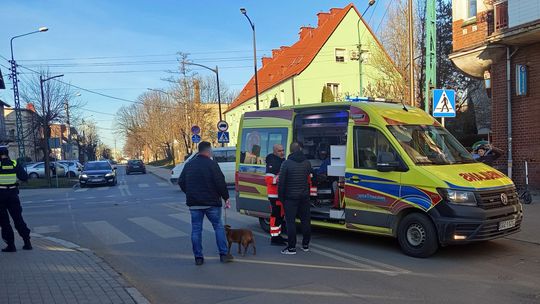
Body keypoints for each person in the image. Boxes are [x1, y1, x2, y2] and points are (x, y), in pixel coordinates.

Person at [179, 142, 234, 265]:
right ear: (208, 151)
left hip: (194, 204)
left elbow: (181, 181)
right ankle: (224, 254)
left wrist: (189, 193)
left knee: (196, 230)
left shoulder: (189, 165)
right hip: (212, 203)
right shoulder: (212, 164)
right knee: (218, 227)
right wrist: (226, 197)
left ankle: (198, 257)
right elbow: (220, 182)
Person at [278, 142, 313, 255]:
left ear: (291, 150)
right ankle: (305, 245)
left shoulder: (286, 164)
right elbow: (309, 178)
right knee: (306, 221)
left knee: (290, 222)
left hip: (290, 197)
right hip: (304, 197)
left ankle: (291, 248)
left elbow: (281, 183)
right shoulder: (307, 163)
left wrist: (281, 197)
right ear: (300, 150)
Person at [0, 146, 32, 252]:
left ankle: (11, 245)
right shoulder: (14, 164)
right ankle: (27, 242)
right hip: (13, 194)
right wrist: (16, 183)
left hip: (1, 196)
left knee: (5, 222)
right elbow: (24, 177)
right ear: (7, 153)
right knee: (18, 219)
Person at [265, 144, 286, 246]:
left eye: (283, 150)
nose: (282, 152)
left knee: (280, 216)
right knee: (275, 216)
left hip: (280, 194)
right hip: (274, 195)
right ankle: (274, 238)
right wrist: (280, 177)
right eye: (279, 151)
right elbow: (269, 179)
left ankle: (278, 235)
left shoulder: (281, 161)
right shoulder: (272, 162)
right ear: (274, 152)